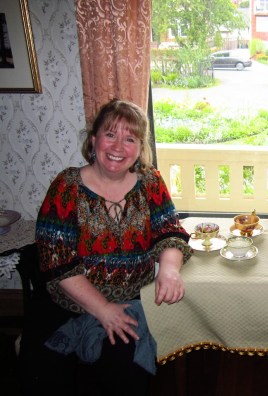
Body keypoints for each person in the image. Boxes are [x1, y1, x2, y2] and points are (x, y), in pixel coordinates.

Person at [19, 99, 192, 395]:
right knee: (44, 378)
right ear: (94, 139)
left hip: (129, 304)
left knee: (127, 378)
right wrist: (102, 309)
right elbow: (57, 261)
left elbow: (170, 232)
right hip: (67, 305)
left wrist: (170, 269)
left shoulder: (151, 182)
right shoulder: (66, 186)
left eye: (130, 139)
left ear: (140, 148)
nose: (118, 147)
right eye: (110, 134)